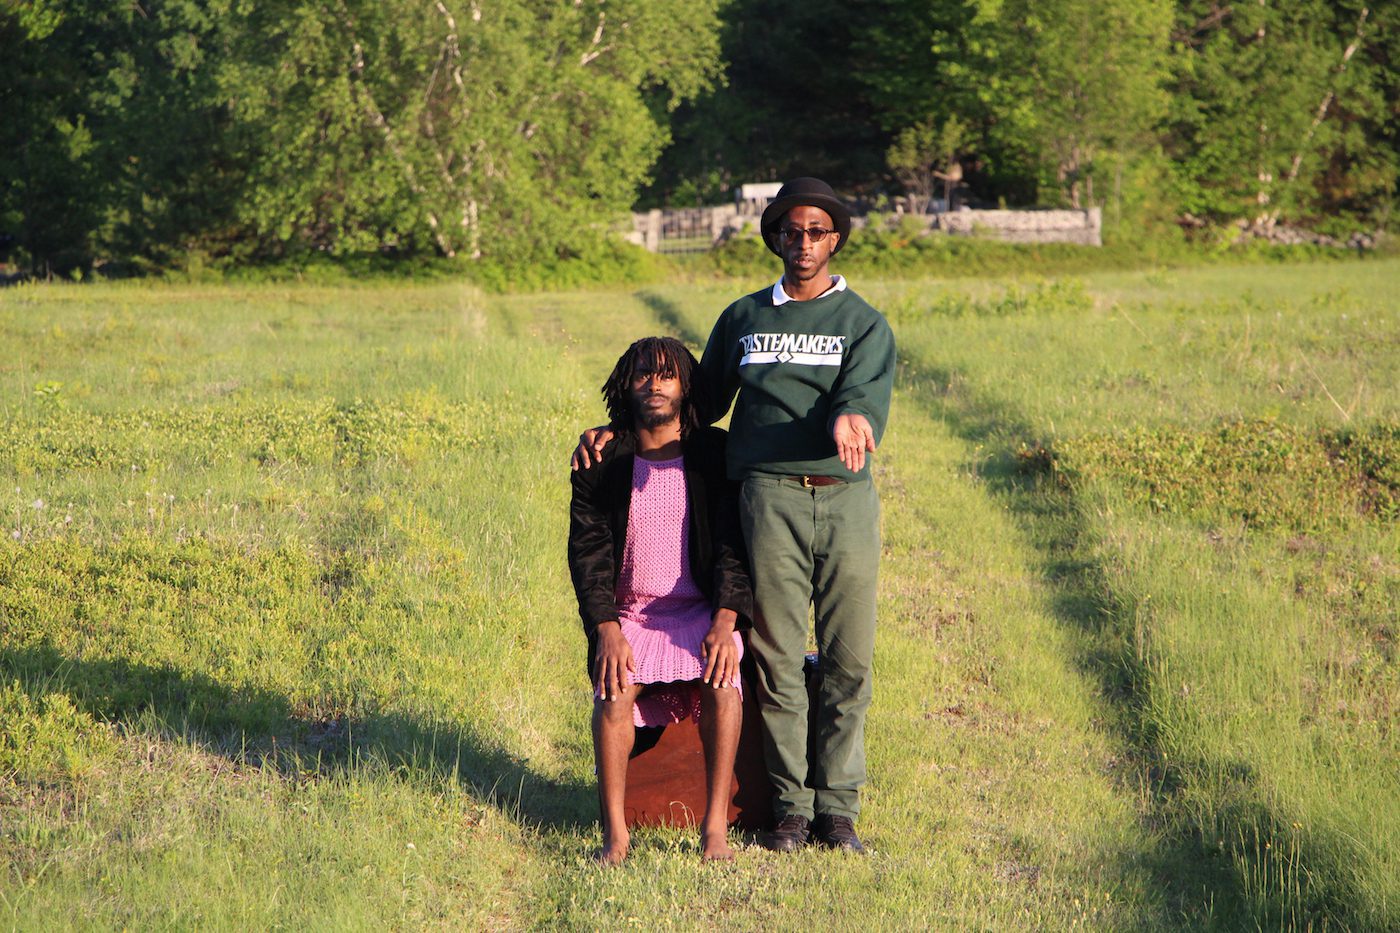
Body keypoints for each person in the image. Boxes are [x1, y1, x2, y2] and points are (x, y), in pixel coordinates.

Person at [574, 178, 895, 854]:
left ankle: (837, 810)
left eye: (817, 231)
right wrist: (616, 435)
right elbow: (690, 407)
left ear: (835, 238)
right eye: (791, 230)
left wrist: (852, 416)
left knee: (846, 657)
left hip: (843, 497)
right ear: (774, 237)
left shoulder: (861, 322)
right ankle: (788, 809)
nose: (803, 242)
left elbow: (864, 390)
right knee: (776, 657)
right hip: (766, 497)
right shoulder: (745, 318)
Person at [567, 336, 754, 865]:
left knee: (724, 677)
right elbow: (588, 552)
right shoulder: (602, 459)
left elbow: (732, 546)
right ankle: (616, 836)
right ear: (625, 384)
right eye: (642, 374)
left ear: (686, 385)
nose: (653, 384)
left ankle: (714, 827)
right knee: (614, 689)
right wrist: (605, 628)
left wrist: (725, 620)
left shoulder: (714, 456)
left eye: (666, 374)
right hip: (631, 613)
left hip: (699, 612)